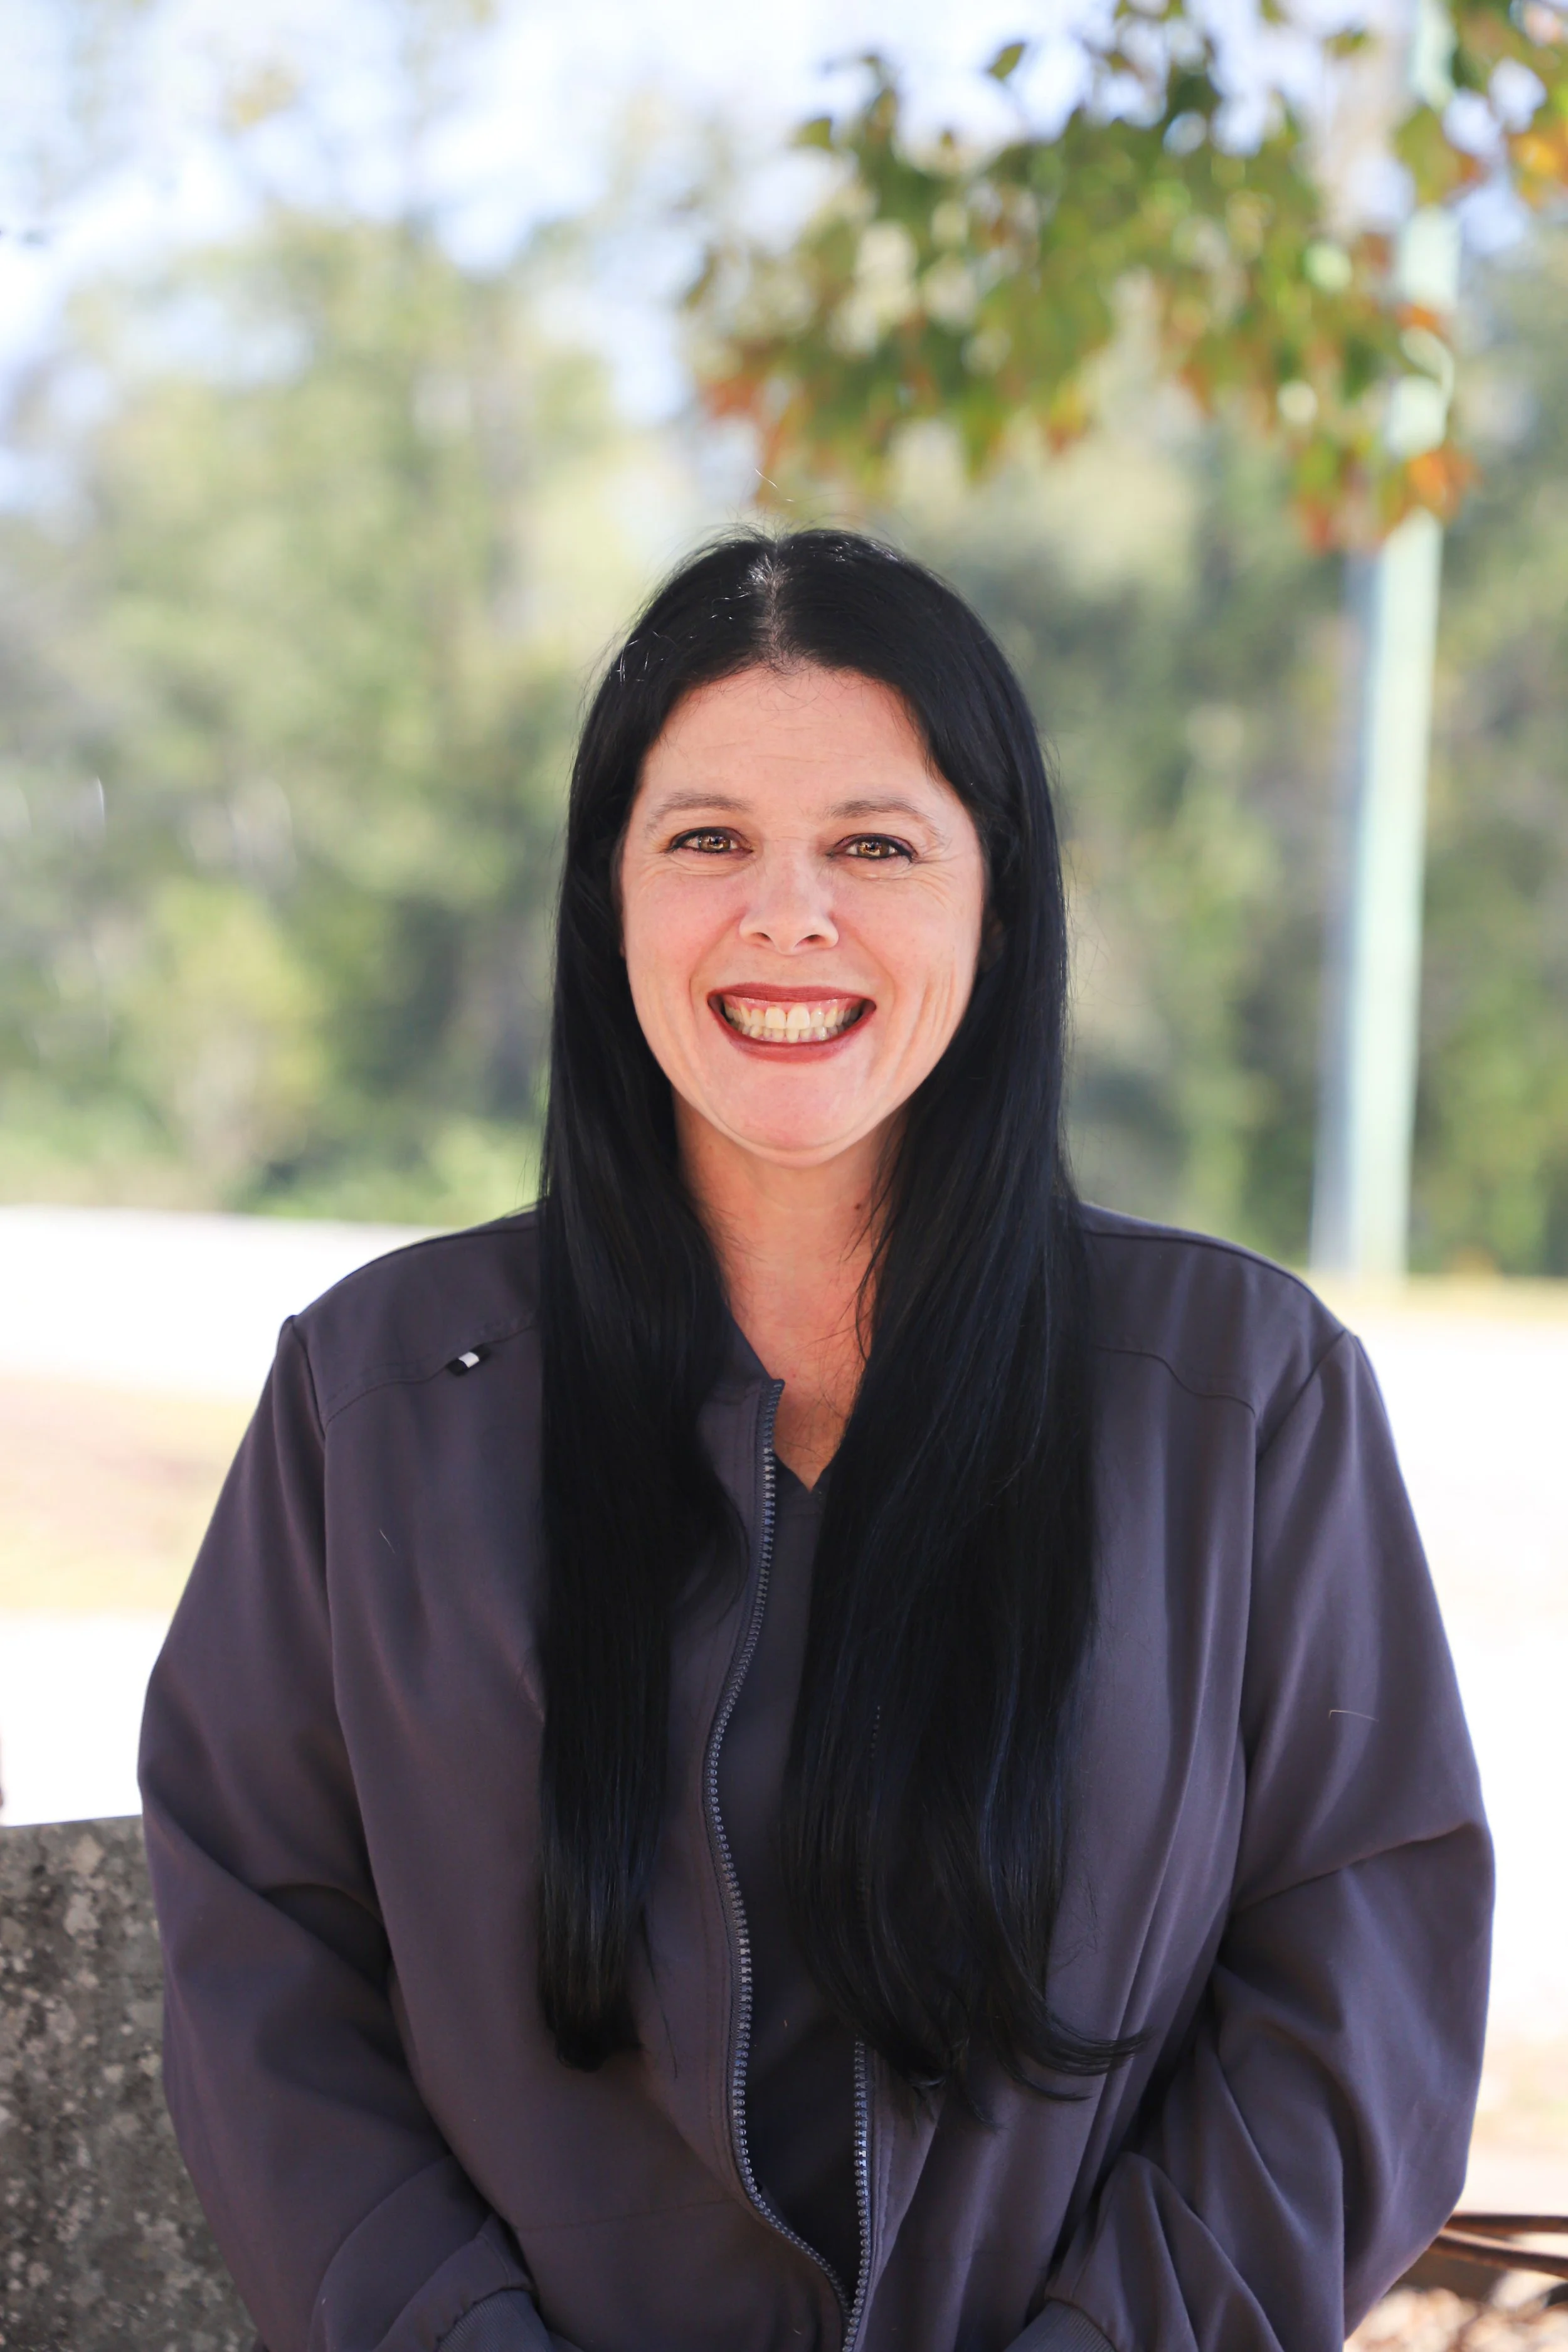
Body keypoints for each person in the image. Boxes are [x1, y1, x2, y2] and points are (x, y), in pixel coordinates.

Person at [139, 529, 1491, 2352]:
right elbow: (264, 1969)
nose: (787, 916)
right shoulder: (374, 1395)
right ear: (608, 896)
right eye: (707, 840)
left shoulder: (1244, 1395)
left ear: (998, 900)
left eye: (874, 845)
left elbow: (1357, 1979)